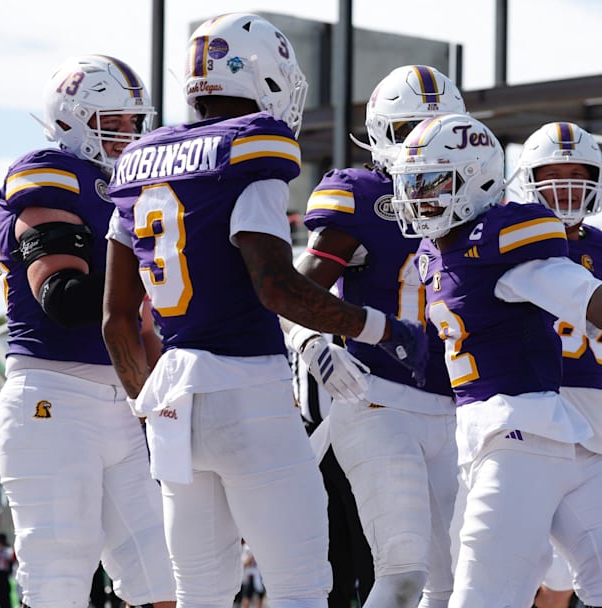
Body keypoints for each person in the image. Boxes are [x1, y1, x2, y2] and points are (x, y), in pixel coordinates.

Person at [102, 13, 425, 607]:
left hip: (172, 395)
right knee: (302, 585)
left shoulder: (137, 162)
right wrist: (379, 328)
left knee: (200, 592)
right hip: (247, 384)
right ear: (260, 73)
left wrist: (143, 406)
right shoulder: (251, 149)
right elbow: (276, 287)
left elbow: (117, 319)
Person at [388, 112, 602, 608]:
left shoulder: (501, 236)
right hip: (525, 439)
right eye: (413, 182)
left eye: (431, 182)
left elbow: (572, 288)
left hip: (538, 437)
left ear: (476, 177)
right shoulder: (434, 250)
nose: (418, 196)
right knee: (484, 594)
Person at [0, 54, 176, 608]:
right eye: (112, 120)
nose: (126, 134)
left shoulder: (126, 191)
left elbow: (137, 324)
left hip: (118, 405)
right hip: (53, 400)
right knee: (59, 582)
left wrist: (163, 394)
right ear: (72, 116)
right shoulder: (48, 171)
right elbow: (65, 298)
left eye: (131, 121)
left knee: (165, 583)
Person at [291, 64, 464, 608]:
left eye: (434, 128)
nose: (421, 143)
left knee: (456, 581)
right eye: (410, 127)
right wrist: (309, 343)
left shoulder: (476, 203)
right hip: (378, 399)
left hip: (458, 404)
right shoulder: (362, 195)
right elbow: (291, 290)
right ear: (383, 132)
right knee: (403, 571)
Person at [514, 122, 602, 607]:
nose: (567, 186)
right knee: (507, 569)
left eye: (578, 174)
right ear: (528, 178)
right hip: (522, 409)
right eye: (554, 174)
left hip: (589, 426)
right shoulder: (502, 235)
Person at [292, 349, 375, 607]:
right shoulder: (287, 316)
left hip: (360, 433)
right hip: (310, 441)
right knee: (325, 553)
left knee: (368, 548)